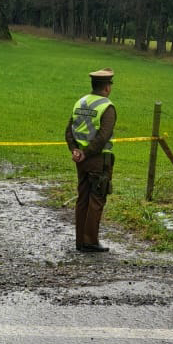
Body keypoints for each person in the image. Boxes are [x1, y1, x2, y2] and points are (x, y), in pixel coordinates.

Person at [65, 68, 117, 253]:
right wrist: (87, 153)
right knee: (97, 199)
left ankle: (80, 240)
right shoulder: (107, 107)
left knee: (83, 199)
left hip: (81, 160)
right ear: (107, 87)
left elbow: (69, 130)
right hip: (97, 159)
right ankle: (90, 241)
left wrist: (76, 151)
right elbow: (103, 137)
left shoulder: (80, 102)